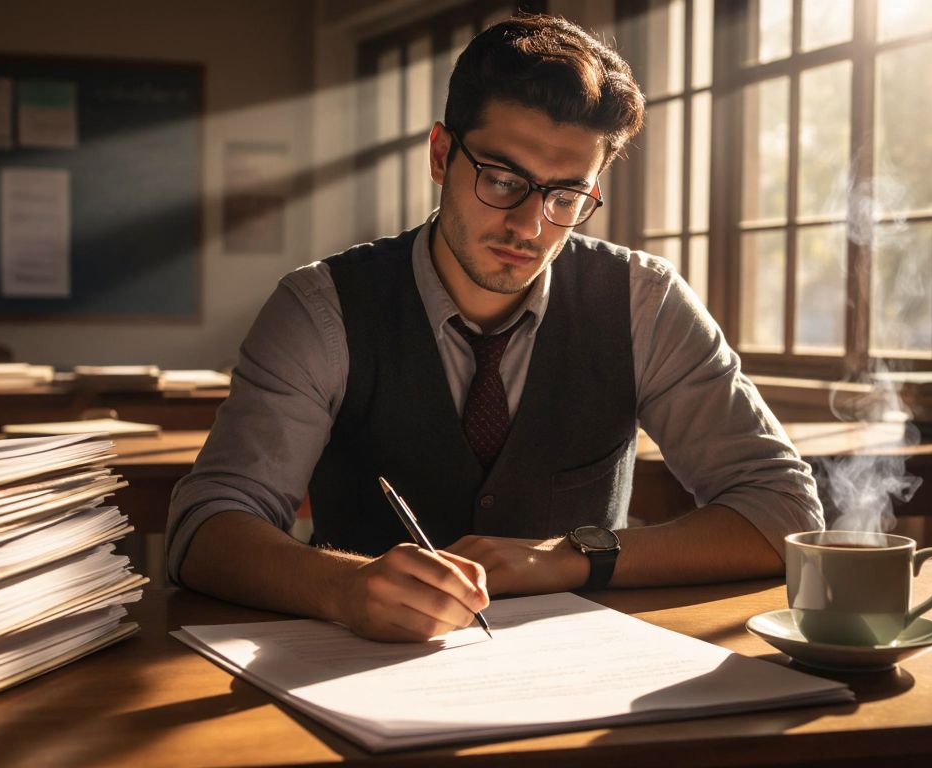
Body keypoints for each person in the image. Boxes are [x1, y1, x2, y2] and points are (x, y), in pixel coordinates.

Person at [167, 13, 823, 642]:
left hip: (584, 678)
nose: (530, 226)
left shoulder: (643, 302)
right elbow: (204, 529)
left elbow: (786, 512)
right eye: (504, 180)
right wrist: (344, 588)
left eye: (566, 196)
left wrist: (571, 557)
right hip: (360, 674)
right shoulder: (321, 307)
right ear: (439, 154)